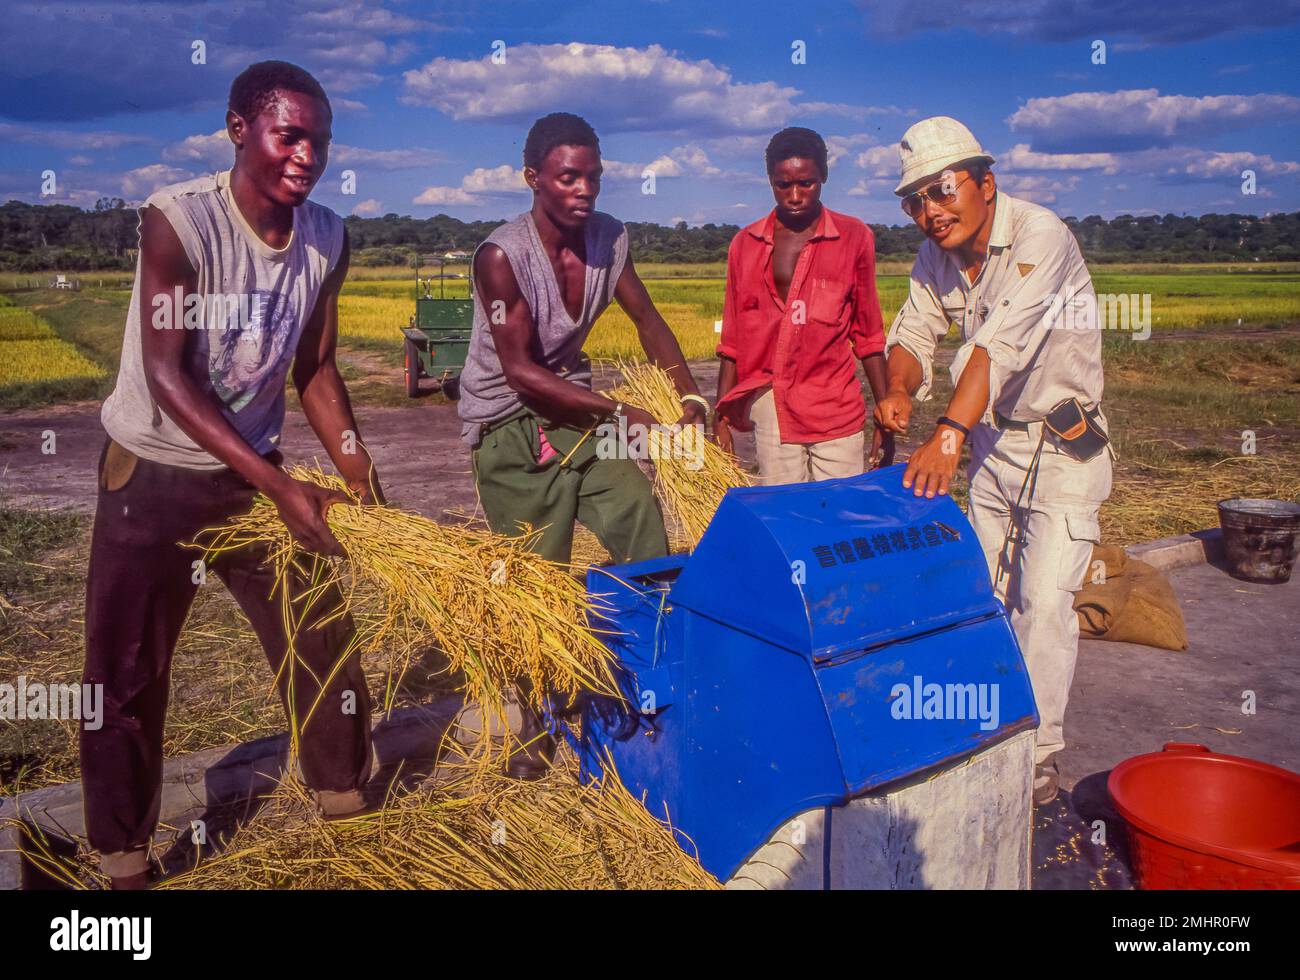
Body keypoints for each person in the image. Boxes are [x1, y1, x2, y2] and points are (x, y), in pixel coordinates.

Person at [86, 61, 383, 888]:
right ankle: (124, 859)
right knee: (127, 670)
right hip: (151, 473)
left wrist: (358, 470)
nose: (307, 157)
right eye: (290, 135)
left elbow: (316, 369)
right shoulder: (178, 222)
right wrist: (284, 486)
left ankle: (343, 803)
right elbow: (171, 377)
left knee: (320, 635)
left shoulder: (326, 236)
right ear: (239, 128)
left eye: (320, 141)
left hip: (252, 476)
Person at [456, 112, 707, 776]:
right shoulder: (501, 257)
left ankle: (647, 678)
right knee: (539, 574)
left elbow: (648, 319)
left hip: (583, 415)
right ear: (533, 178)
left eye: (593, 176)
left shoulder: (610, 239)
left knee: (640, 522)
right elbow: (520, 373)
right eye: (569, 176)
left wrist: (690, 400)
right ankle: (532, 718)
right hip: (510, 424)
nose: (584, 190)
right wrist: (624, 413)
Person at [875, 116, 1112, 805]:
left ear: (986, 181)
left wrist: (945, 435)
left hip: (1062, 446)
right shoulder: (937, 255)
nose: (930, 211)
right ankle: (983, 725)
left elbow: (993, 349)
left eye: (943, 190)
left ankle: (1036, 755)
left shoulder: (1042, 237)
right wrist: (896, 386)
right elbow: (914, 331)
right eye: (914, 200)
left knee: (1042, 604)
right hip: (993, 444)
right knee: (980, 591)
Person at [713, 127, 891, 484]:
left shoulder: (854, 237)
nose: (795, 196)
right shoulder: (744, 245)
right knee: (786, 515)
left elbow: (869, 336)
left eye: (806, 183)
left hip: (834, 406)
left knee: (840, 518)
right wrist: (720, 418)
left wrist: (884, 417)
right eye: (783, 185)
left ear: (823, 176)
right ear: (770, 181)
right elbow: (732, 340)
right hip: (771, 405)